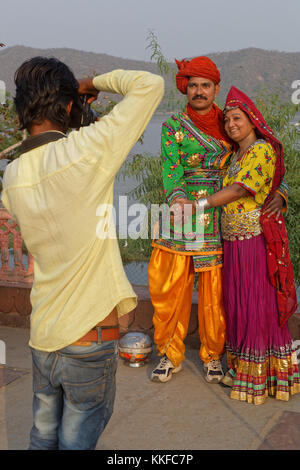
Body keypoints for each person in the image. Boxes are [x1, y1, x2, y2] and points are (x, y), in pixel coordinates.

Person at [1, 57, 164, 449]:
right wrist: (90, 80)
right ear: (70, 104)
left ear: (22, 110)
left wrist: (75, 96)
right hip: (88, 337)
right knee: (76, 441)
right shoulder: (88, 150)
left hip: (43, 335)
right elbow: (150, 85)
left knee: (42, 437)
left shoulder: (13, 174)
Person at [148, 56, 288, 384]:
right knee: (171, 287)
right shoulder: (172, 127)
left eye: (205, 85)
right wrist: (179, 198)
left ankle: (213, 356)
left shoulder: (232, 122)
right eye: (193, 85)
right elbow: (172, 169)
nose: (198, 91)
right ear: (185, 88)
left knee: (215, 291)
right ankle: (169, 353)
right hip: (182, 210)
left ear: (216, 88)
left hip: (219, 215)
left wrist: (281, 192)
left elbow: (260, 157)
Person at [193, 86, 300, 404]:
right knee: (237, 303)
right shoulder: (233, 155)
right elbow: (276, 184)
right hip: (232, 241)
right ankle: (241, 368)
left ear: (253, 121)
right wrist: (282, 192)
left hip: (254, 240)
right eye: (227, 121)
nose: (231, 125)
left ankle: (260, 376)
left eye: (237, 119)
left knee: (256, 303)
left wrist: (198, 205)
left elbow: (241, 190)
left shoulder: (262, 150)